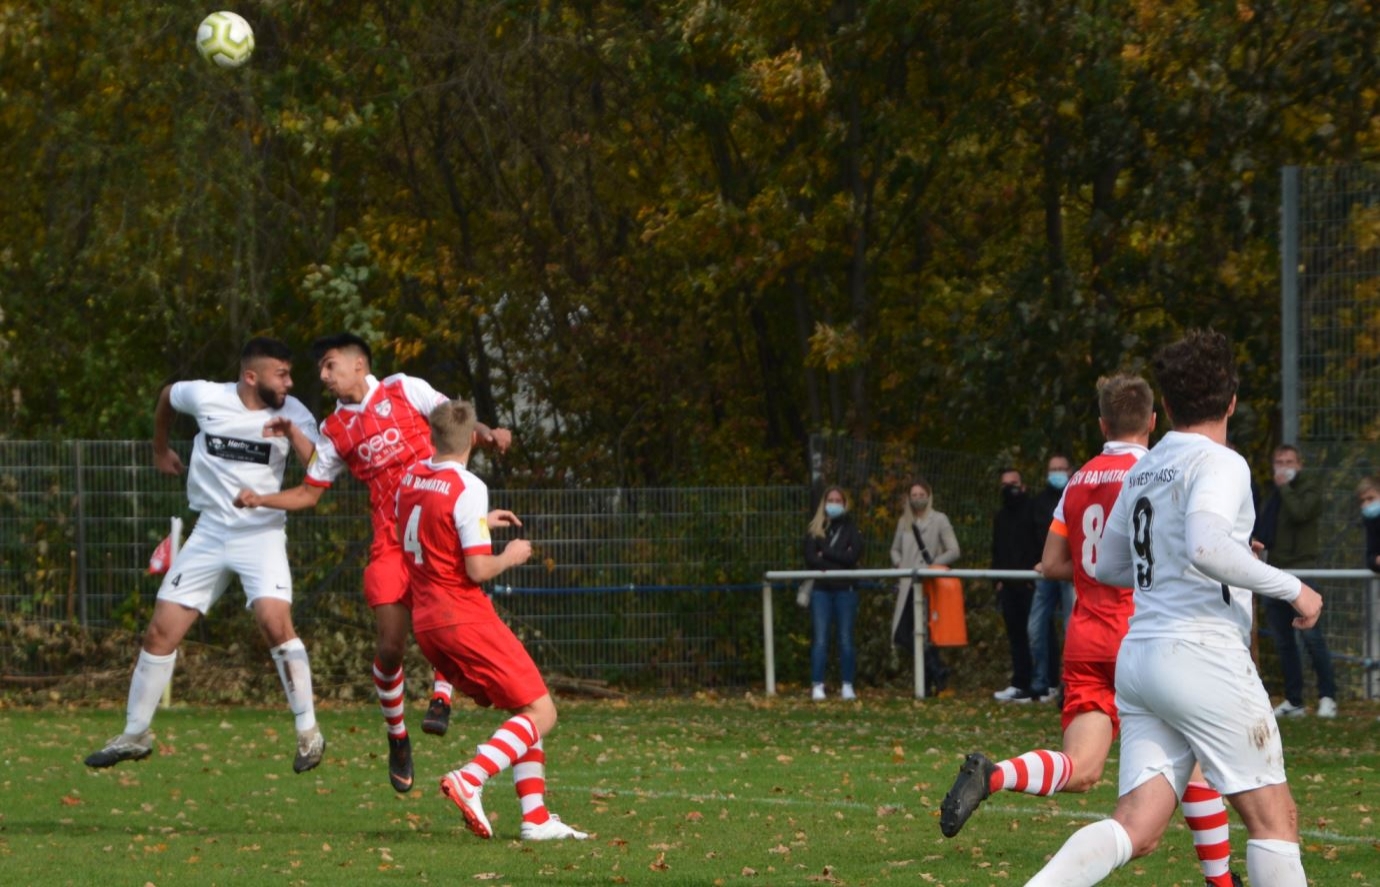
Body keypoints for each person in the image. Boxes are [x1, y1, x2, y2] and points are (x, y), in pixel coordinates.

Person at [1023, 329, 1323, 887]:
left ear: (1165, 403)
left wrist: (1183, 561)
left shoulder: (1146, 467)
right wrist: (1293, 589)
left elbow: (1107, 565)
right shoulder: (1222, 462)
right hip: (1202, 652)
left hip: (1141, 658)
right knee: (1275, 820)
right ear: (1232, 402)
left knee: (1135, 826)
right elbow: (1207, 547)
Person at [940, 374, 1243, 887]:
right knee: (1194, 761)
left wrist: (1091, 570)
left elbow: (1052, 563)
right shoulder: (1156, 471)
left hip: (1085, 637)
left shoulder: (1078, 480)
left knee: (1081, 767)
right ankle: (1221, 881)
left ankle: (996, 774)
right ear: (1153, 420)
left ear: (1103, 424)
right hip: (1142, 637)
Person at [235, 332, 511, 793]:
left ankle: (442, 696)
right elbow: (309, 492)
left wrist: (487, 431)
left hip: (437, 529)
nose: (323, 376)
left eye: (329, 365)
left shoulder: (405, 388)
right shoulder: (335, 429)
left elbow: (455, 421)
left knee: (447, 622)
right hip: (389, 541)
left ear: (358, 364)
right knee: (390, 646)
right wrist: (260, 499)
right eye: (321, 368)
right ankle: (397, 736)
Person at [86, 337, 326, 774]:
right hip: (210, 532)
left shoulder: (294, 412)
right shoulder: (205, 395)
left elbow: (318, 469)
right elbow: (167, 396)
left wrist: (293, 433)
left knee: (275, 622)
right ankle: (135, 734)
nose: (289, 383)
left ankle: (309, 733)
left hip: (261, 534)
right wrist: (160, 448)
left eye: (289, 374)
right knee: (160, 632)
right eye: (281, 374)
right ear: (251, 376)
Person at [396, 399, 587, 841]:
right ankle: (471, 777)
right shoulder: (469, 486)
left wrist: (479, 523)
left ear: (431, 435)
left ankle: (536, 818)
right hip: (462, 616)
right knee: (543, 711)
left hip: (426, 621)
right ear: (473, 440)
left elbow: (428, 526)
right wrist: (511, 555)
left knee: (525, 704)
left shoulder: (410, 476)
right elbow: (479, 569)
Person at [1252, 444, 1337, 718]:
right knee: (1283, 640)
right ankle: (1294, 700)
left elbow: (1301, 512)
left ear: (1299, 465)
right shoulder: (1273, 493)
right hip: (1275, 571)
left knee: (1312, 638)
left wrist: (1285, 489)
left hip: (1302, 571)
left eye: (1289, 461)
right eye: (1279, 461)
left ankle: (1327, 697)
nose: (1283, 466)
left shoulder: (1308, 489)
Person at [889, 478, 960, 693]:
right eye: (914, 495)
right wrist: (899, 563)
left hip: (929, 583)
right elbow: (894, 549)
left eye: (921, 495)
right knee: (903, 634)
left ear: (928, 496)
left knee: (926, 632)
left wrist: (933, 565)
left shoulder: (939, 519)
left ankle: (930, 680)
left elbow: (954, 550)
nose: (918, 499)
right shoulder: (904, 522)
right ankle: (936, 670)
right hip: (907, 583)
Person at [803, 486, 864, 701]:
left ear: (845, 504)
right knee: (820, 639)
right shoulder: (814, 529)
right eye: (831, 500)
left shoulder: (852, 529)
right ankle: (817, 684)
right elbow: (811, 558)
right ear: (824, 502)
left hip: (846, 590)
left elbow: (853, 557)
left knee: (846, 638)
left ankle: (847, 684)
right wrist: (838, 557)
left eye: (838, 500)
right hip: (821, 591)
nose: (834, 504)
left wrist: (826, 553)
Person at [1027, 453, 1075, 702]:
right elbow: (1034, 536)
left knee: (1071, 629)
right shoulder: (1039, 503)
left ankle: (1068, 685)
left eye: (1060, 468)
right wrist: (1041, 562)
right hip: (1045, 572)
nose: (1056, 473)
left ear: (1070, 471)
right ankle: (1041, 683)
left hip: (1068, 573)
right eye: (1052, 469)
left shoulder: (1076, 496)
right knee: (1035, 628)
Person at [991, 469, 1038, 701]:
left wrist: (1032, 578)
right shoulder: (1000, 517)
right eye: (1005, 484)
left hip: (1030, 584)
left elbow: (1038, 544)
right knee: (1016, 635)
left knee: (1037, 634)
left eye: (1013, 483)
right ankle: (1020, 682)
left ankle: (1042, 682)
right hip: (1008, 585)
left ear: (1023, 485)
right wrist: (997, 580)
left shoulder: (1032, 511)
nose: (1010, 488)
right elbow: (996, 549)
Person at [1360, 476, 1380, 573]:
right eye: (1362, 501)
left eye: (1370, 498)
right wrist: (1376, 560)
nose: (1365, 504)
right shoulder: (1372, 522)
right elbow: (1370, 558)